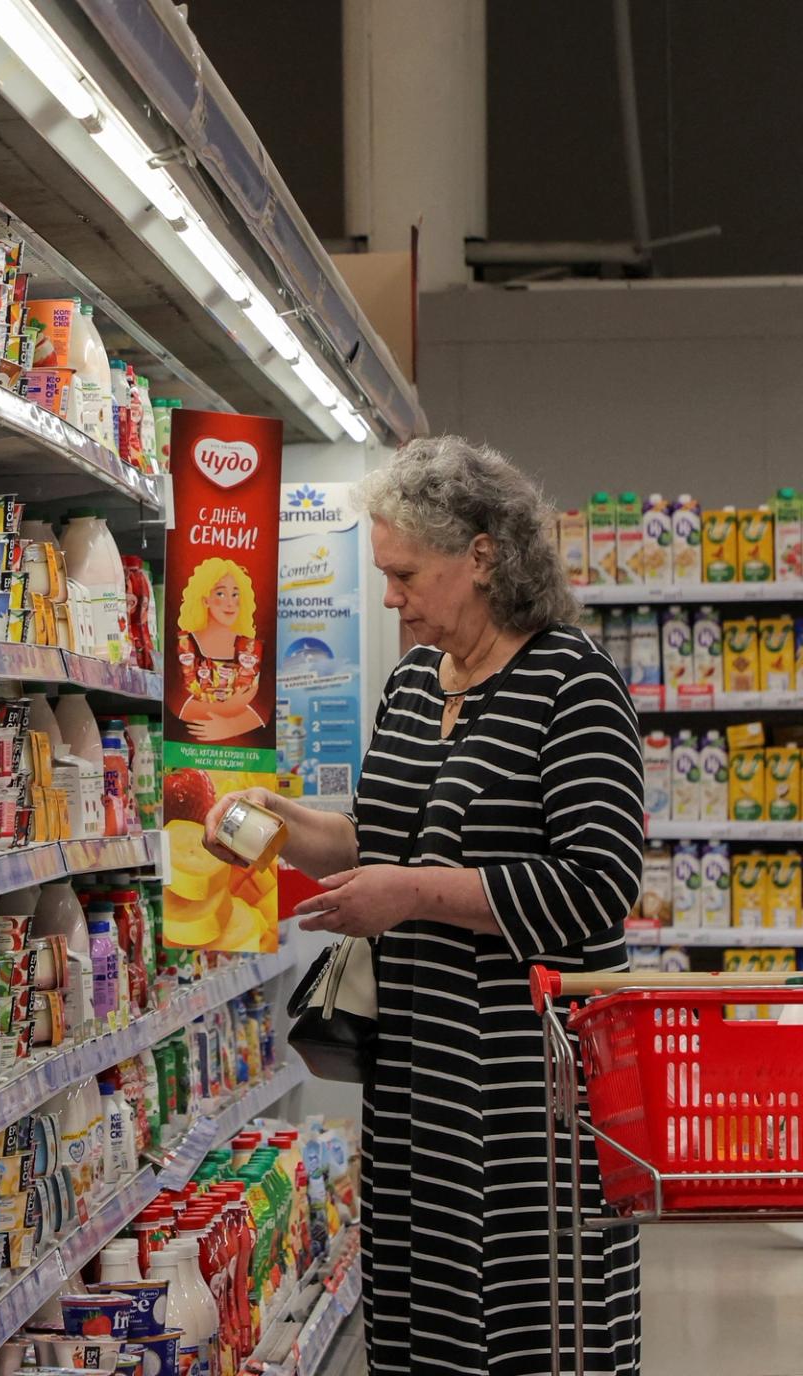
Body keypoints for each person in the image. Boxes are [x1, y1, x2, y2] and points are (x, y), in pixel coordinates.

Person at [204, 437, 642, 1375]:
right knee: (422, 1317)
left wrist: (410, 898)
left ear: (481, 554)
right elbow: (384, 835)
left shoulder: (574, 685)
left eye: (404, 574)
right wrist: (280, 824)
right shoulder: (409, 687)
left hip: (531, 1086)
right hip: (415, 1073)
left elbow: (598, 882)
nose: (391, 597)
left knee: (530, 1320)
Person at [173, 557, 264, 742]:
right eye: (221, 594)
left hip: (245, 760)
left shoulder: (252, 649)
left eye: (235, 594)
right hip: (189, 755)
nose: (230, 603)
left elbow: (265, 707)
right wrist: (230, 708)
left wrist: (231, 726)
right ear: (205, 599)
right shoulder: (183, 644)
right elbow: (178, 705)